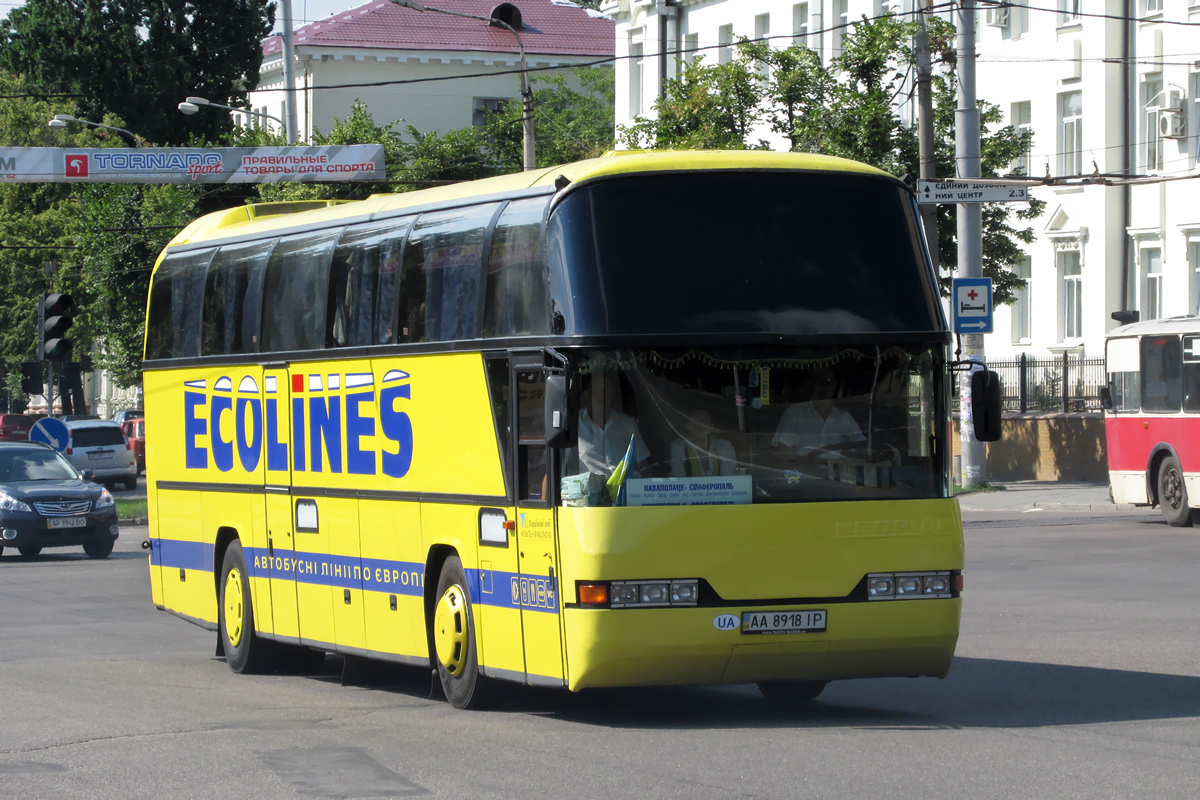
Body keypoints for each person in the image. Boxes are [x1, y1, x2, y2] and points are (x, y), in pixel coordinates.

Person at [772, 366, 864, 460]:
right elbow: (782, 450)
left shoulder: (844, 417)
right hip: (805, 473)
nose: (824, 387)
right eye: (820, 381)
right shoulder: (795, 414)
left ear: (835, 385)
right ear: (810, 384)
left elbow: (861, 446)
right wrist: (802, 463)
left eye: (829, 382)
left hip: (838, 473)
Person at [576, 369, 650, 476]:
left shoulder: (626, 423)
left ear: (612, 395)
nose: (601, 396)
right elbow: (555, 468)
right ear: (586, 395)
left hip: (626, 490)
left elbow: (642, 464)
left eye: (605, 391)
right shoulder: (574, 424)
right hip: (590, 491)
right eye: (596, 391)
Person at [669, 410, 737, 478]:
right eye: (691, 421)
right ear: (686, 425)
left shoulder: (724, 446)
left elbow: (729, 479)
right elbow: (678, 481)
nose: (697, 426)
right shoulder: (679, 447)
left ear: (711, 426)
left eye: (702, 421)